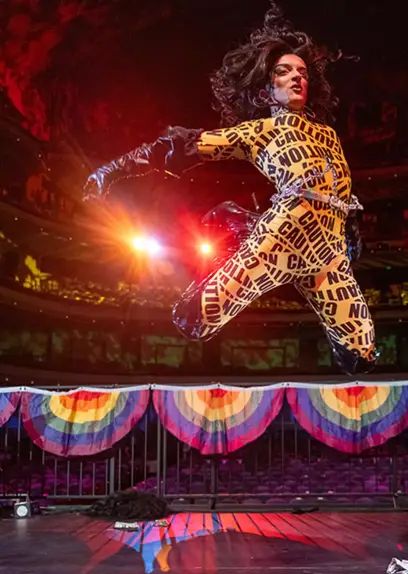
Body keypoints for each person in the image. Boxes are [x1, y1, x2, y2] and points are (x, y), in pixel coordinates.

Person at [83, 2, 377, 375]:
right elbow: (184, 146)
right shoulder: (261, 132)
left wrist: (350, 226)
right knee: (195, 319)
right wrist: (114, 169)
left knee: (361, 355)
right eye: (284, 72)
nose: (296, 78)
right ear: (264, 92)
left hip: (328, 254)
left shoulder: (328, 135)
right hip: (281, 236)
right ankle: (243, 227)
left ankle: (243, 223)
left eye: (302, 72)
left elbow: (341, 186)